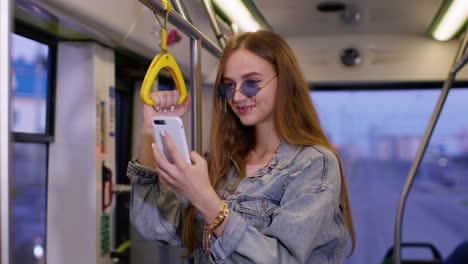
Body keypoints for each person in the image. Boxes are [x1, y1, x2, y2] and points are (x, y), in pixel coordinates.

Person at [127, 30, 356, 263]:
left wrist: (207, 201)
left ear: (284, 81)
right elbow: (157, 228)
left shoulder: (315, 164)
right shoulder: (225, 163)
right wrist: (150, 131)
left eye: (251, 83)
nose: (236, 96)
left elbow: (282, 259)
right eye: (228, 86)